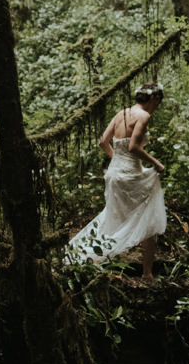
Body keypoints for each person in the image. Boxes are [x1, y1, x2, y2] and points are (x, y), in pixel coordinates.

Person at [69, 81, 168, 277]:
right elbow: (133, 148)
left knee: (113, 218)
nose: (157, 106)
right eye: (158, 102)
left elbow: (103, 141)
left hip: (114, 174)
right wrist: (156, 163)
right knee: (150, 218)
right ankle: (147, 274)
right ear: (154, 99)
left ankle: (91, 259)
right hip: (130, 176)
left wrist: (118, 161)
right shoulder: (144, 116)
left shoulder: (121, 114)